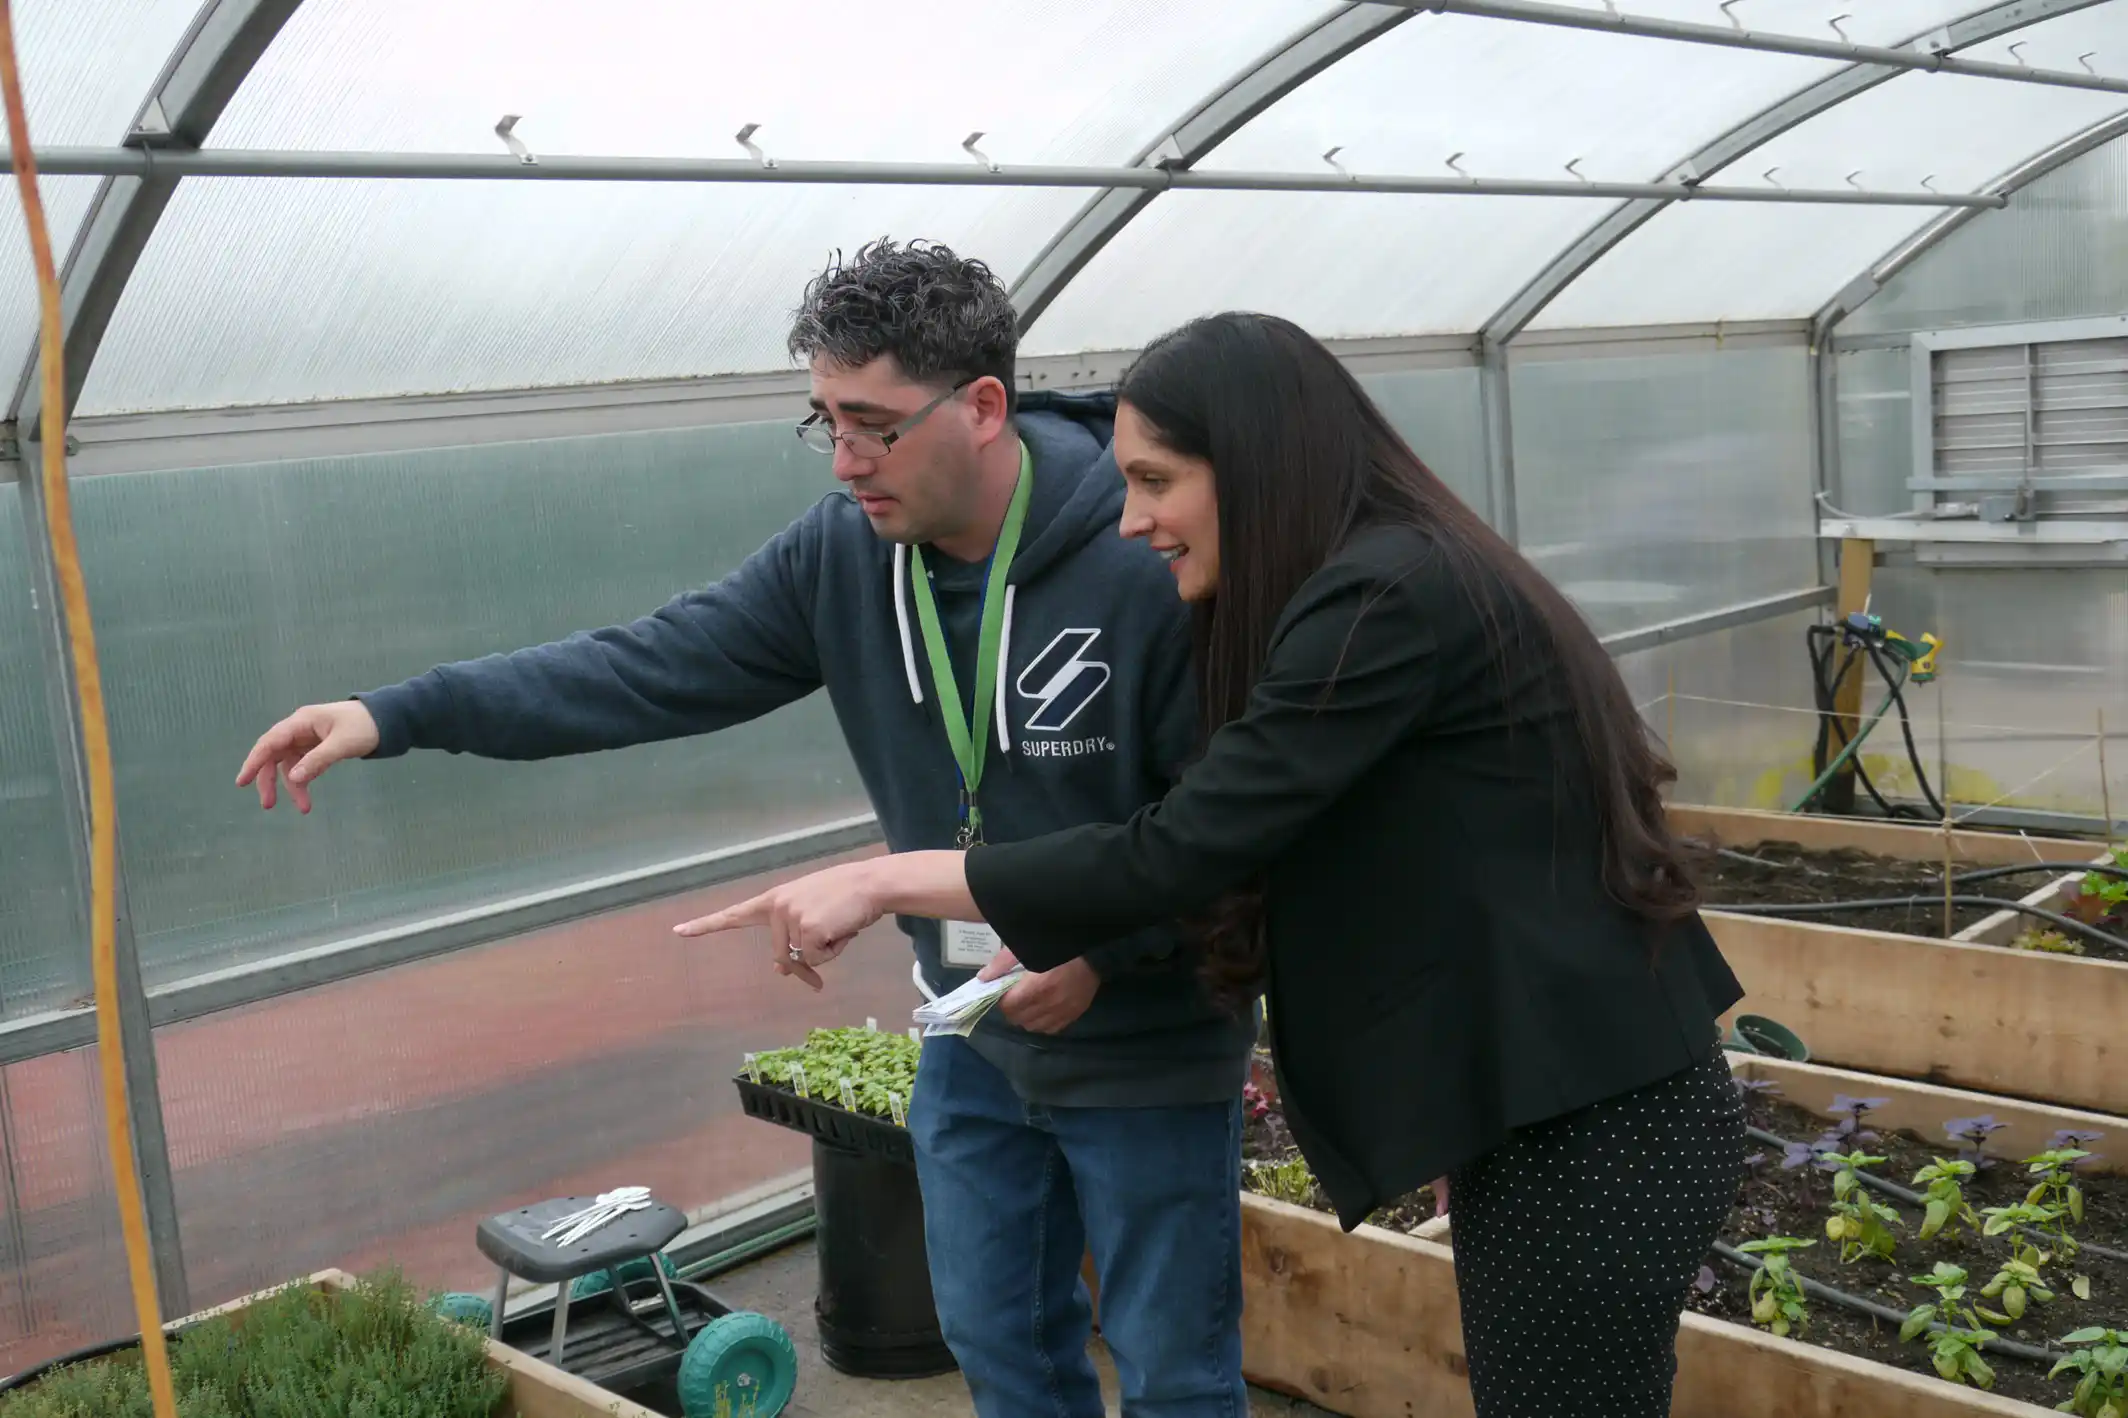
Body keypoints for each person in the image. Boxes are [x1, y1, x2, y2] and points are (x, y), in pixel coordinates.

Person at [234, 240, 1259, 1418]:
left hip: (1143, 1038)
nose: (845, 458)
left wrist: (1102, 953)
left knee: (1174, 1367)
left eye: (873, 425)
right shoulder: (843, 556)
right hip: (974, 1032)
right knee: (999, 1341)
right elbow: (642, 666)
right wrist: (395, 712)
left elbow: (1231, 818)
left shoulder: (1148, 555)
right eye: (825, 421)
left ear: (982, 407)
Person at [677, 311, 1751, 1418]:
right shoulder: (1383, 579)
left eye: (1156, 481)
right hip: (1559, 1106)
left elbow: (1181, 844)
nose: (1132, 519)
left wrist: (883, 878)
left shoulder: (1382, 602)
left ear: (1257, 463)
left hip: (1597, 1121)